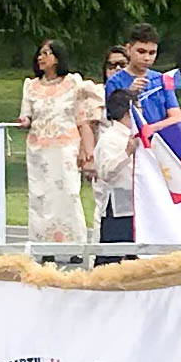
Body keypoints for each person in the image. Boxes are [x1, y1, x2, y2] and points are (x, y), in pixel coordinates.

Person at [18, 40, 99, 244]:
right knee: (41, 196)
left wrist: (84, 148)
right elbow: (26, 115)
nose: (41, 57)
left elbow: (81, 116)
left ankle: (73, 244)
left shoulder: (72, 82)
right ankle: (42, 245)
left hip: (65, 148)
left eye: (46, 53)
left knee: (68, 193)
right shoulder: (31, 86)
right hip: (39, 149)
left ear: (57, 58)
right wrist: (23, 121)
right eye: (40, 53)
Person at [93, 86, 137, 251]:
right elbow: (106, 172)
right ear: (128, 112)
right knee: (112, 254)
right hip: (117, 207)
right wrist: (127, 153)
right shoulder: (109, 139)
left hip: (135, 203)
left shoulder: (134, 135)